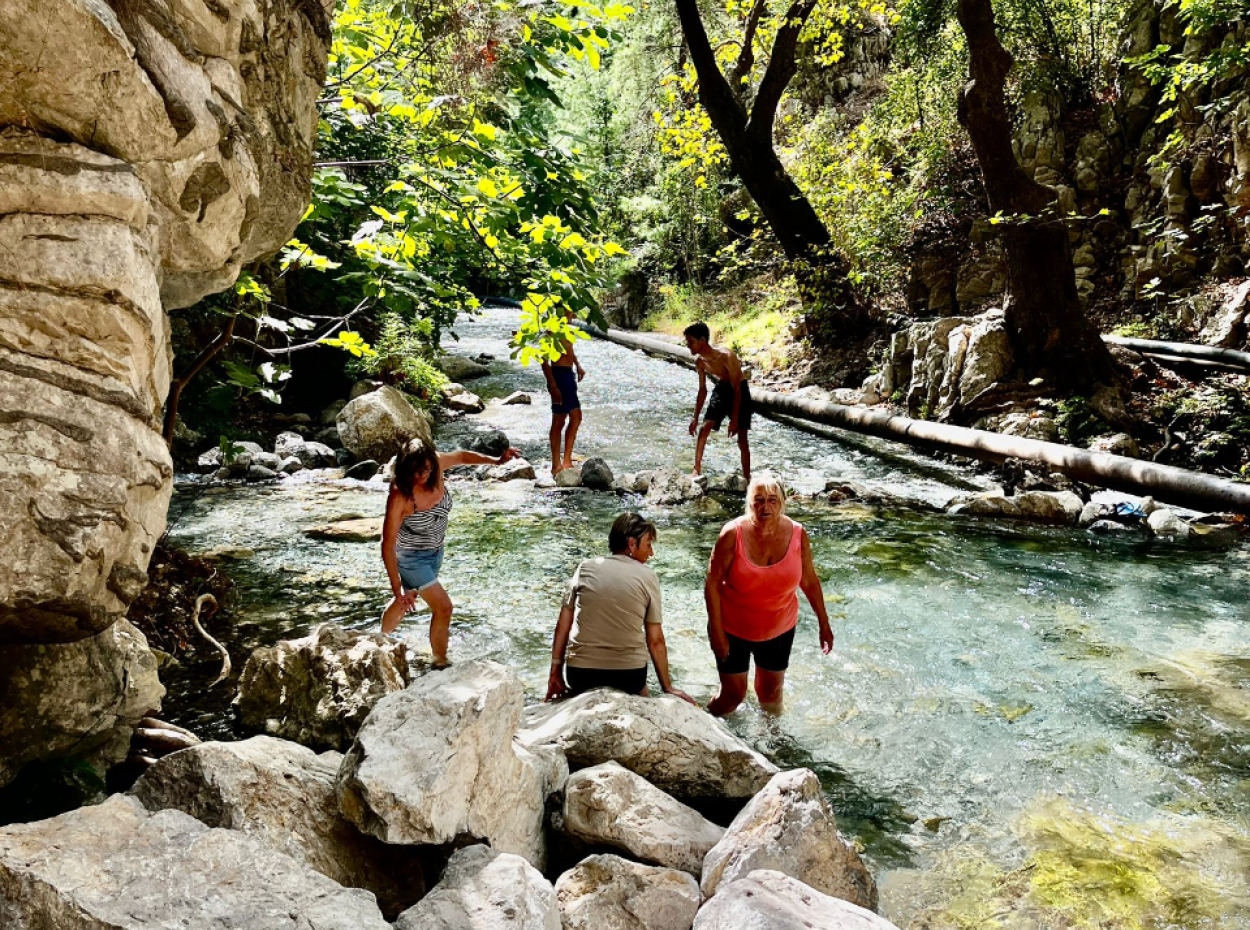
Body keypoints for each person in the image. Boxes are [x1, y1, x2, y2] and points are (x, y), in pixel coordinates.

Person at [704, 472, 834, 715]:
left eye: (773, 500)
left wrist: (824, 623)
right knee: (733, 696)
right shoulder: (732, 534)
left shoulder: (797, 533)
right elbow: (711, 583)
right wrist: (717, 631)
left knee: (771, 697)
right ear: (749, 503)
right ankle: (704, 726)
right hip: (733, 629)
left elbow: (809, 580)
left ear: (782, 503)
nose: (766, 507)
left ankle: (771, 746)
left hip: (779, 629)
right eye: (759, 500)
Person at [381, 438, 520, 665]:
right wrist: (395, 585)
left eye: (426, 470)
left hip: (435, 552)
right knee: (443, 607)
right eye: (417, 472)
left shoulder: (434, 463)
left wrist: (496, 461)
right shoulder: (400, 495)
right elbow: (387, 543)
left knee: (409, 596)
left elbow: (463, 456)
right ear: (406, 468)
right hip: (410, 558)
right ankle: (440, 662)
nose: (423, 476)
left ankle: (380, 639)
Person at [545, 513, 695, 704]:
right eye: (648, 544)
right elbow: (655, 640)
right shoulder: (648, 576)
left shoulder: (584, 568)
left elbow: (563, 626)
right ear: (632, 544)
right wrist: (668, 688)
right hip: (630, 677)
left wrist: (555, 673)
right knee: (643, 694)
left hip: (580, 676)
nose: (651, 553)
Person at [683, 322, 752, 482]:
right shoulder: (700, 362)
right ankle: (696, 469)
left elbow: (737, 388)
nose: (688, 346)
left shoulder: (726, 356)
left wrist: (734, 420)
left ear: (702, 340)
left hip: (739, 389)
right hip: (721, 387)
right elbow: (702, 390)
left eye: (691, 342)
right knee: (704, 427)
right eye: (687, 342)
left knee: (742, 437)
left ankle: (747, 478)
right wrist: (695, 417)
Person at [541, 315, 586, 475]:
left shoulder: (568, 331)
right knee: (559, 420)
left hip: (568, 374)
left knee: (576, 416)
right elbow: (544, 361)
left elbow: (570, 351)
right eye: (569, 312)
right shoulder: (551, 331)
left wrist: (578, 366)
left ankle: (567, 460)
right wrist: (553, 386)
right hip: (558, 376)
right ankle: (556, 464)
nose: (573, 315)